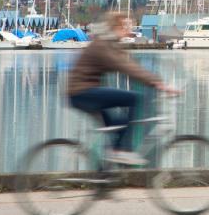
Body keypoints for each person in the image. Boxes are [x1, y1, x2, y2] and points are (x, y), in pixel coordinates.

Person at [67, 12, 178, 165]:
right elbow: (127, 67)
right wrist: (158, 83)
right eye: (124, 26)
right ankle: (122, 151)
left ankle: (105, 178)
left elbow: (132, 66)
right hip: (82, 92)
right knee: (135, 98)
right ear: (115, 27)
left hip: (84, 92)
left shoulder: (111, 44)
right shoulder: (103, 46)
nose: (128, 30)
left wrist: (156, 79)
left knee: (118, 124)